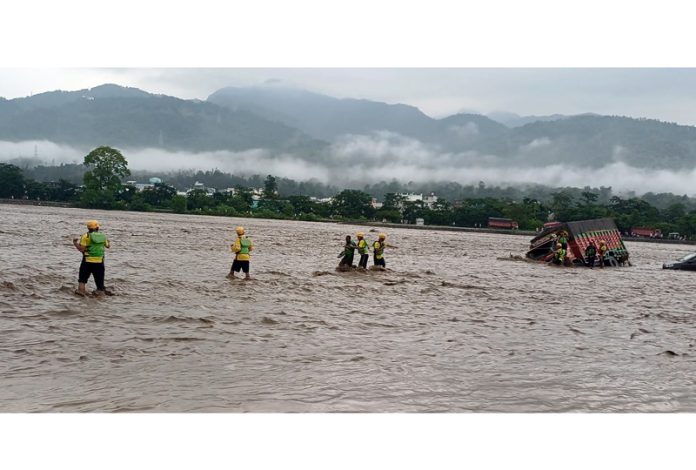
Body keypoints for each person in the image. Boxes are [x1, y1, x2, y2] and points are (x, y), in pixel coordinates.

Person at [72, 219, 110, 296]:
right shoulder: (103, 236)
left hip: (87, 260)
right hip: (99, 261)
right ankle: (100, 292)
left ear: (88, 228)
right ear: (97, 228)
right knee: (99, 278)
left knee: (83, 277)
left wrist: (75, 243)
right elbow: (108, 246)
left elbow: (81, 249)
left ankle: (81, 291)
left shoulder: (85, 236)